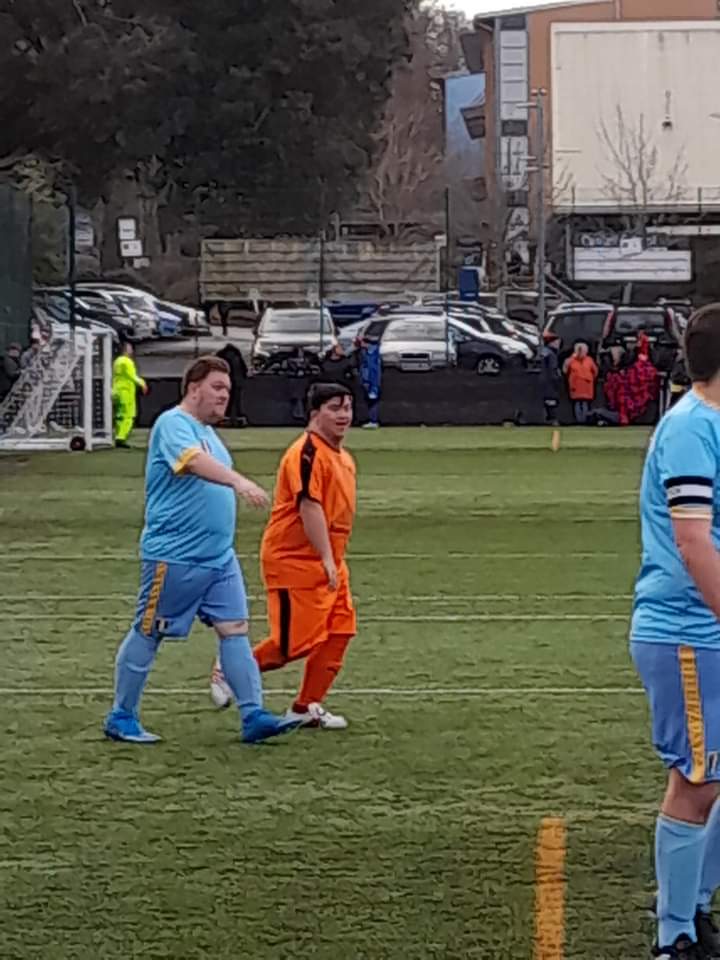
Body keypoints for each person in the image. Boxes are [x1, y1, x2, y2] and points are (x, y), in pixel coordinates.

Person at [103, 355, 298, 745]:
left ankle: (253, 715)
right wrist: (238, 482)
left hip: (219, 557)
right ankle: (121, 716)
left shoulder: (208, 432)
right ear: (194, 388)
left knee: (235, 630)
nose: (225, 396)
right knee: (149, 631)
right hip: (176, 556)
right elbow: (192, 462)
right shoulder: (173, 424)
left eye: (228, 389)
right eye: (217, 387)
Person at [631, 303, 720, 960]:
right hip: (691, 629)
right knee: (697, 782)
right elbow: (694, 542)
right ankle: (675, 934)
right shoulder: (691, 427)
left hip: (703, 627)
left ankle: (696, 905)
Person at [210, 382, 357, 730]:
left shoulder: (342, 456)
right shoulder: (306, 453)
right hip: (295, 561)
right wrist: (325, 557)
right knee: (293, 645)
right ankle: (228, 669)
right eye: (335, 408)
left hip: (329, 560)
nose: (344, 415)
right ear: (315, 413)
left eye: (348, 407)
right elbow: (309, 505)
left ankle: (305, 707)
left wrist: (332, 559)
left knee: (340, 632)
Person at [112, 339, 147, 448]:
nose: (132, 351)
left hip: (117, 390)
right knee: (128, 415)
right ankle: (121, 438)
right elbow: (132, 375)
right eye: (130, 348)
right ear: (126, 350)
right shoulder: (127, 362)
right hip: (126, 392)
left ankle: (118, 435)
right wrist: (142, 383)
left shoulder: (117, 361)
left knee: (120, 415)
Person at [563, 341, 598, 424]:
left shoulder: (589, 360)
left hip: (586, 385)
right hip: (576, 385)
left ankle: (583, 420)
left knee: (584, 403)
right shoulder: (570, 360)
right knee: (578, 403)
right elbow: (565, 370)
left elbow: (595, 371)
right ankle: (580, 421)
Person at [216, 343, 248, 427]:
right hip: (238, 381)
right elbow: (244, 369)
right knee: (236, 402)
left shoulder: (222, 356)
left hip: (227, 381)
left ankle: (226, 418)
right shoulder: (237, 356)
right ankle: (234, 419)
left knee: (226, 401)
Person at [540, 331, 561, 425]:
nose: (558, 344)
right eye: (557, 342)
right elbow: (553, 369)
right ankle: (552, 419)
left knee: (546, 400)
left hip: (543, 380)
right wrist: (557, 379)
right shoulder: (551, 354)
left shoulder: (543, 352)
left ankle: (548, 418)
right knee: (552, 400)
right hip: (550, 381)